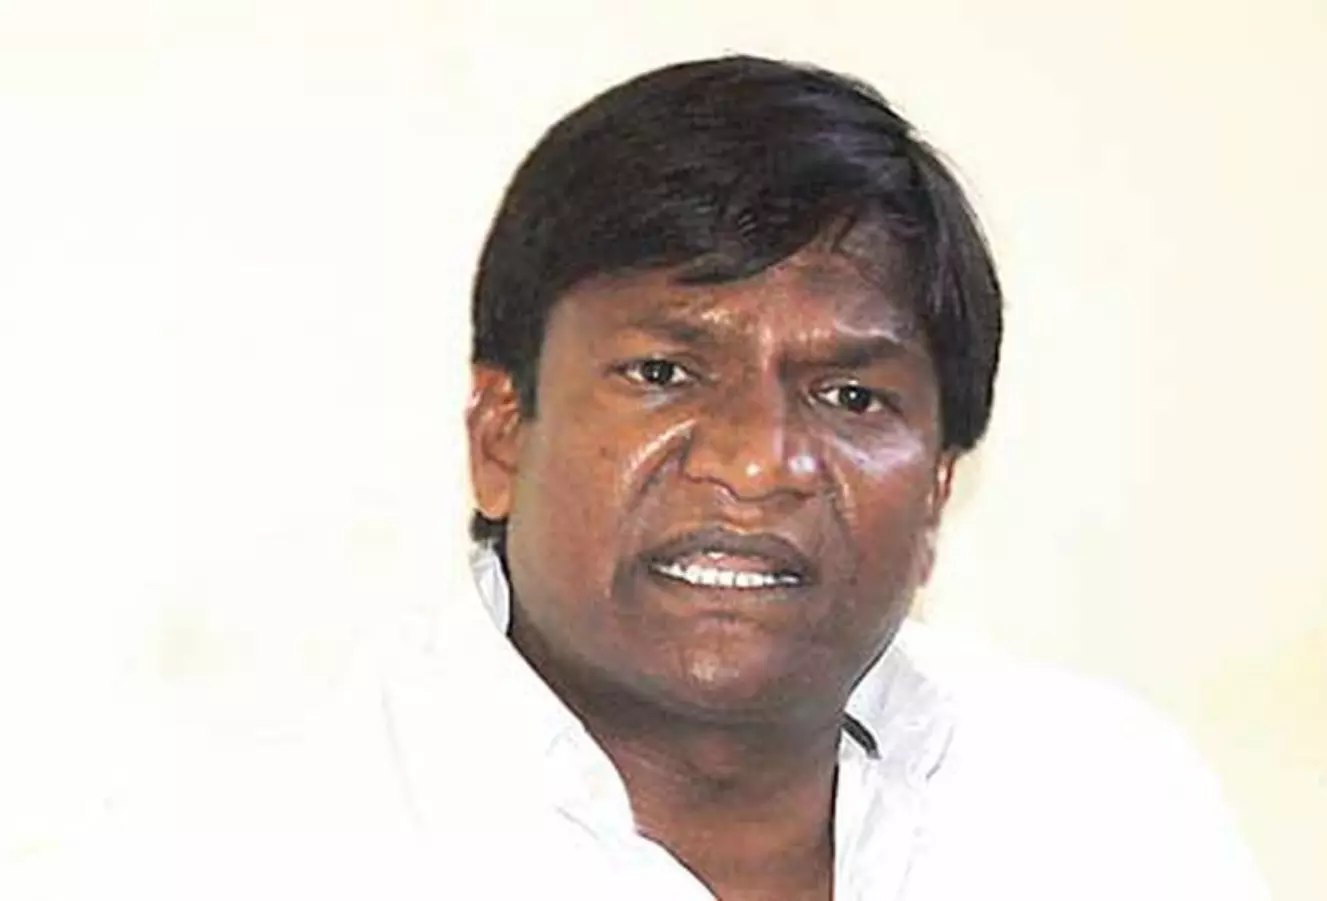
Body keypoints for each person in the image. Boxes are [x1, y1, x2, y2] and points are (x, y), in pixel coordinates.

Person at [378, 55, 1268, 900]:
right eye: (664, 373)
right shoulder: (313, 829)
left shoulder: (1116, 811)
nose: (757, 464)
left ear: (937, 491)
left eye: (850, 395)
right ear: (501, 437)